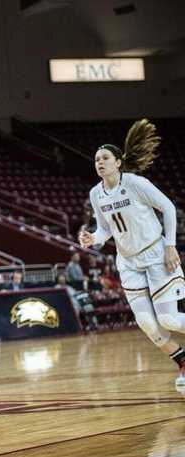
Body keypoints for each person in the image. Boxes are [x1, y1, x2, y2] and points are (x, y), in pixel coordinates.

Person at [79, 119, 185, 391]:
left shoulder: (136, 183)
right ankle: (183, 362)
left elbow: (168, 208)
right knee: (148, 324)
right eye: (96, 159)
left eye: (104, 158)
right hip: (128, 262)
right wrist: (94, 238)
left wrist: (170, 245)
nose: (99, 162)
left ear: (117, 162)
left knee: (170, 320)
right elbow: (106, 229)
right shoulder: (95, 193)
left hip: (157, 254)